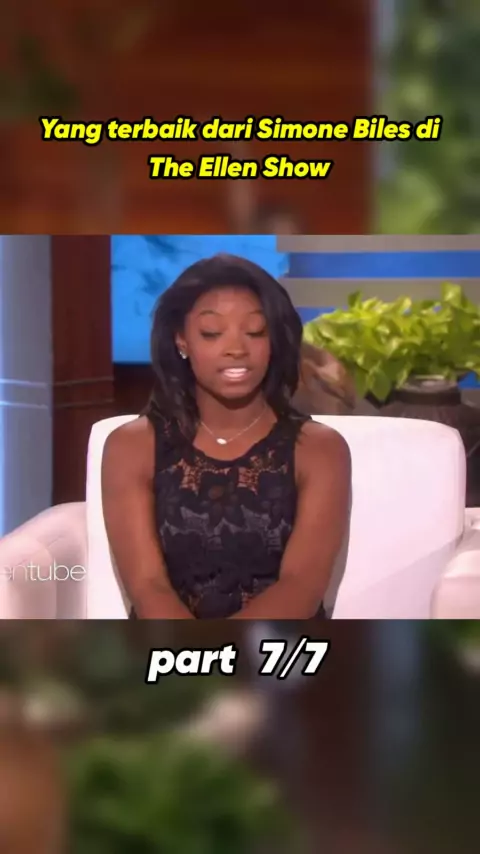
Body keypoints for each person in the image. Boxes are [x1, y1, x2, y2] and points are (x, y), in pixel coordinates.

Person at [102, 254, 351, 619]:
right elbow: (147, 585)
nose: (236, 349)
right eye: (212, 333)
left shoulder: (320, 449)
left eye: (255, 331)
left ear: (273, 340)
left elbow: (301, 586)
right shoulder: (131, 446)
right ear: (181, 340)